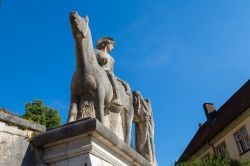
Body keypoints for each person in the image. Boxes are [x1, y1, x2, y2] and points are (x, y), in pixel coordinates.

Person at [95, 37, 122, 106]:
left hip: (109, 74)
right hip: (99, 72)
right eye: (112, 45)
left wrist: (122, 81)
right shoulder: (96, 52)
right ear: (106, 44)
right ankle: (117, 96)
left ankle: (117, 97)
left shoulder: (112, 59)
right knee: (110, 73)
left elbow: (112, 71)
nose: (113, 48)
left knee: (111, 74)